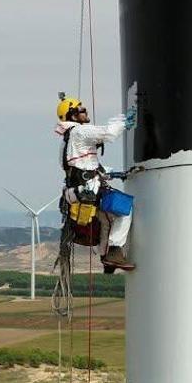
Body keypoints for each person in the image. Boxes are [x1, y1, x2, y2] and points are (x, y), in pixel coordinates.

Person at [55, 95, 137, 271]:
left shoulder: (67, 140)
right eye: (81, 109)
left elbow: (82, 166)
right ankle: (114, 252)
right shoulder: (79, 132)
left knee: (106, 219)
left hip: (76, 192)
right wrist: (125, 120)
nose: (85, 112)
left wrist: (110, 174)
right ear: (73, 115)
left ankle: (106, 257)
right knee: (124, 210)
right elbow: (108, 133)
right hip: (87, 190)